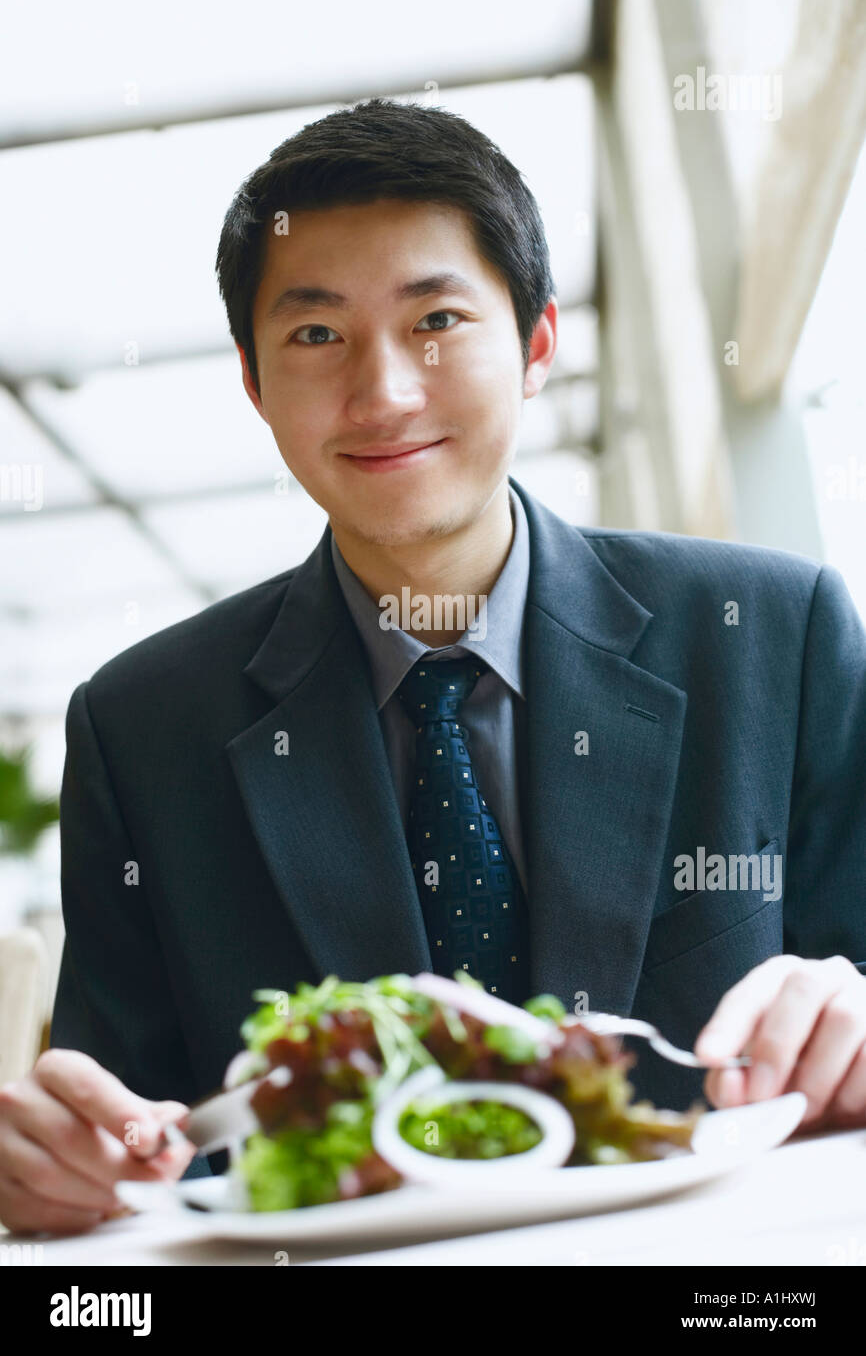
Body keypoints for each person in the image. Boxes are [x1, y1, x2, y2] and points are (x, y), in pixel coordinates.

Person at [2, 98, 865, 1237]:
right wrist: (54, 1157)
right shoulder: (142, 725)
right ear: (254, 384)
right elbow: (126, 1138)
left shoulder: (770, 633)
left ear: (538, 343)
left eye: (437, 319)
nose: (383, 394)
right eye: (315, 334)